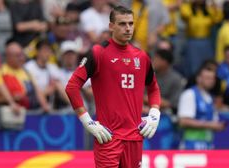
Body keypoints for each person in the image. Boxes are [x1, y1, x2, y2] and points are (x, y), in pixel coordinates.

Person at [65, 5, 161, 167]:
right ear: (111, 26)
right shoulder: (98, 53)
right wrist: (88, 121)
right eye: (122, 24)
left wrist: (154, 113)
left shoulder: (142, 56)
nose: (128, 28)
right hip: (108, 137)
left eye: (131, 24)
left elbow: (153, 88)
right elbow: (72, 87)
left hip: (135, 137)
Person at [178, 62, 226, 150]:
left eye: (212, 78)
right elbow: (183, 121)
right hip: (191, 145)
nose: (211, 81)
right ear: (198, 79)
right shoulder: (190, 94)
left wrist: (218, 126)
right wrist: (210, 125)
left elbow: (213, 121)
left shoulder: (210, 97)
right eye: (207, 78)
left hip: (207, 145)